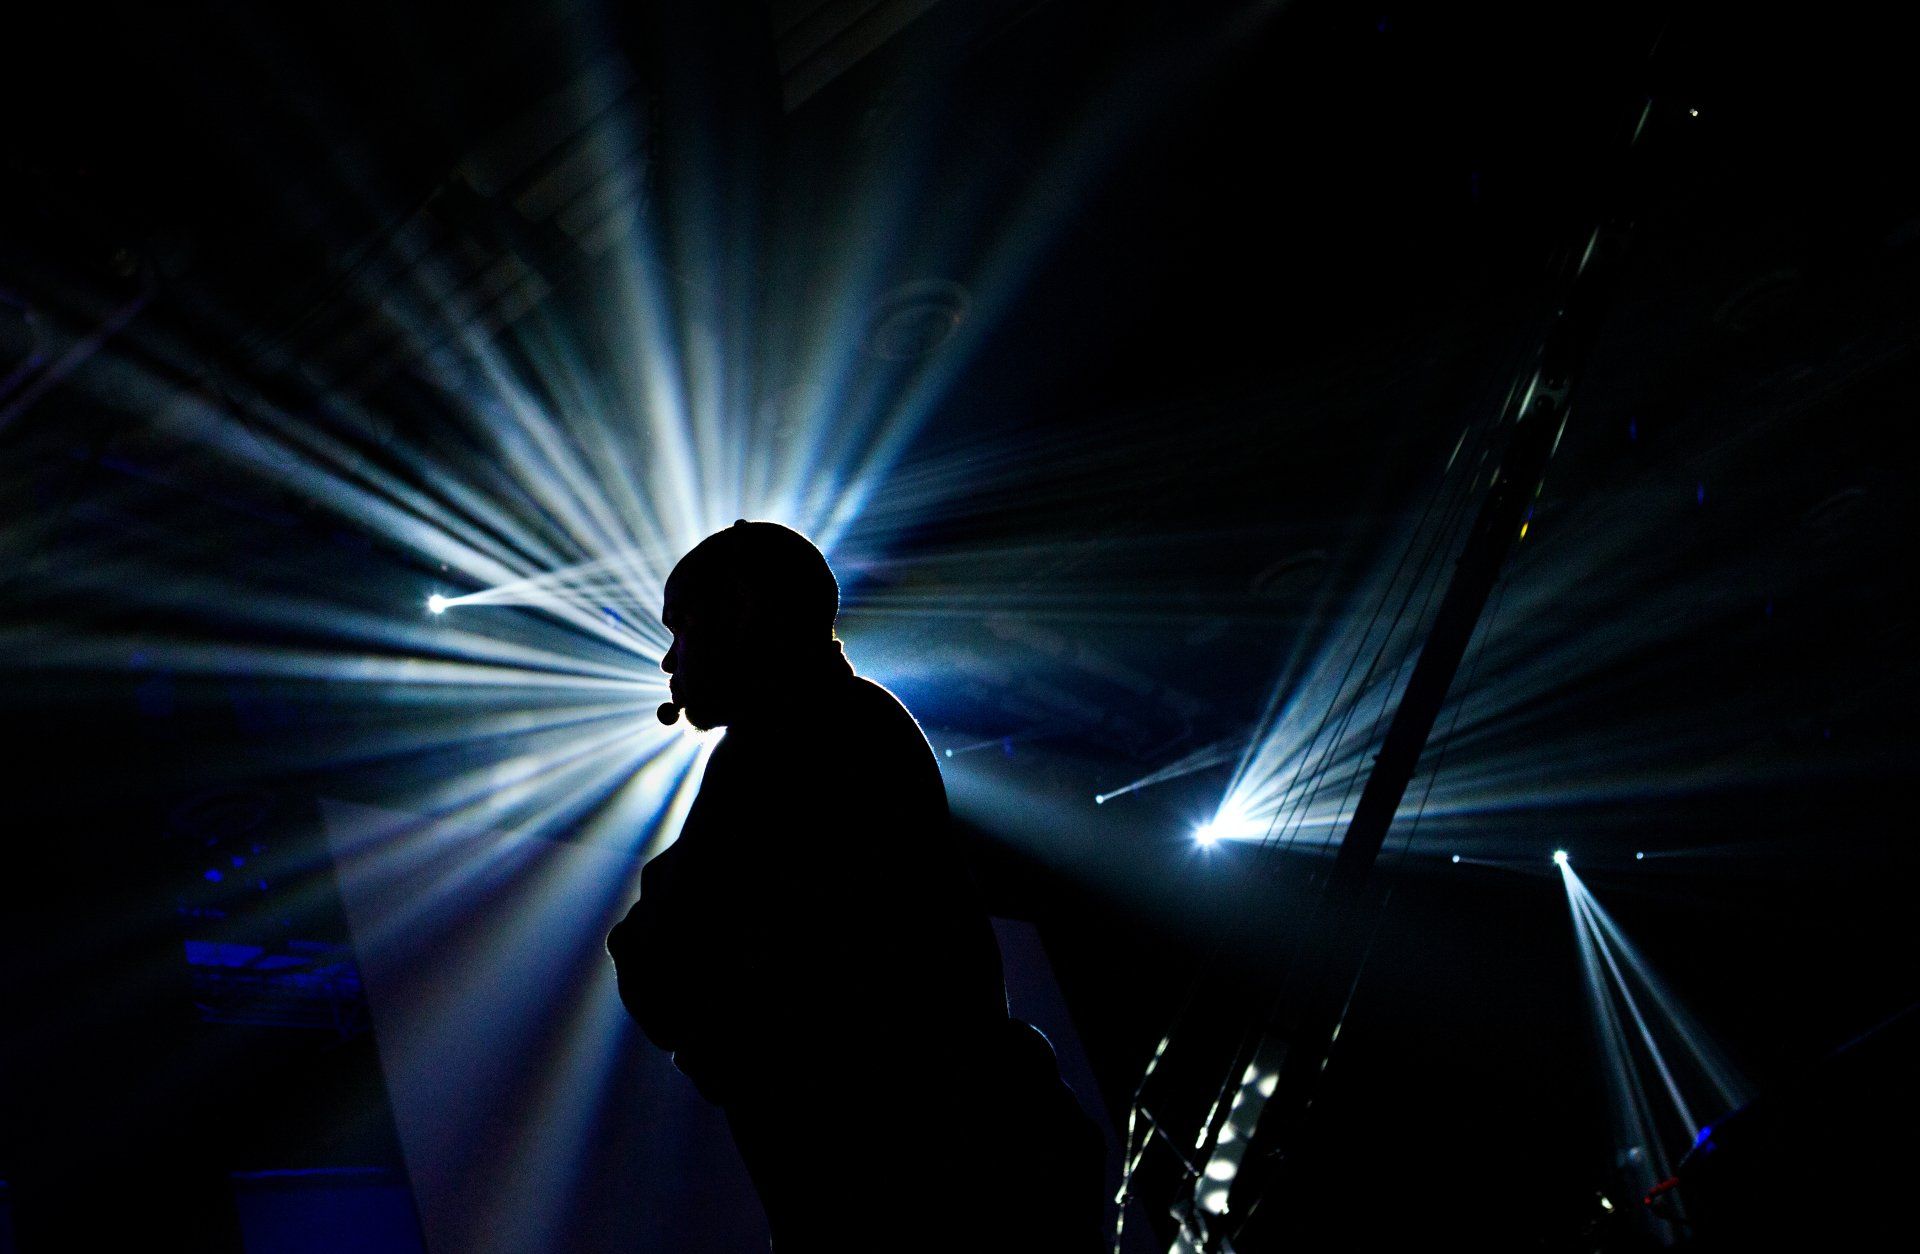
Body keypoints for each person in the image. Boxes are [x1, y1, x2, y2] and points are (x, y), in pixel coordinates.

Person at [607, 520, 1103, 1252]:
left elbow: (671, 961)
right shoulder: (837, 725)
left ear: (741, 610)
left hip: (928, 1198)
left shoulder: (797, 739)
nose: (668, 660)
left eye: (681, 626)